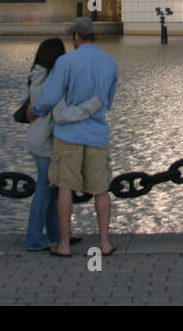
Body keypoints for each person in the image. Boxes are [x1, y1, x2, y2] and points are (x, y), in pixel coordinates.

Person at [33, 17, 119, 258]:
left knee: (65, 188)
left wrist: (36, 110)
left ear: (76, 36)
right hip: (97, 134)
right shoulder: (110, 63)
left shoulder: (65, 62)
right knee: (101, 190)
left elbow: (50, 98)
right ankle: (104, 243)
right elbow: (109, 101)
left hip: (68, 135)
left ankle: (64, 244)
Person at [18, 37, 103, 252]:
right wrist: (89, 108)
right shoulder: (55, 81)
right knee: (45, 190)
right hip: (49, 142)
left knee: (52, 189)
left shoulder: (34, 76)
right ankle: (34, 239)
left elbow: (26, 108)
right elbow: (61, 114)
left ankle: (57, 235)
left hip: (35, 138)